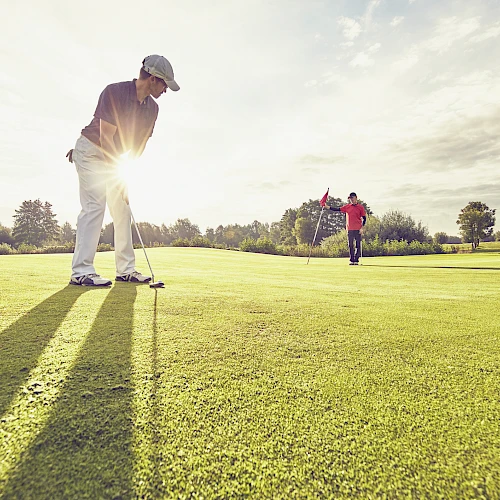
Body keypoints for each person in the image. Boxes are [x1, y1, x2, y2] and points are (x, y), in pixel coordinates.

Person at [66, 55, 179, 286]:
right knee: (95, 206)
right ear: (153, 79)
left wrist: (126, 176)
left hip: (113, 158)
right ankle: (81, 271)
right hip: (91, 152)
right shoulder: (114, 92)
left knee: (122, 210)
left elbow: (139, 147)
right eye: (164, 84)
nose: (166, 90)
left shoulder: (152, 109)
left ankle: (126, 270)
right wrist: (116, 174)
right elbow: (106, 137)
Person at [324, 192, 366, 265]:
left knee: (358, 245)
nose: (351, 200)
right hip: (349, 229)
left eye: (352, 198)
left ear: (356, 198)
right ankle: (352, 260)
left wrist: (362, 228)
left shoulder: (360, 207)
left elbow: (364, 218)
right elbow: (337, 209)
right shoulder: (347, 207)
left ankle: (356, 260)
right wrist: (328, 207)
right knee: (350, 245)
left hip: (358, 228)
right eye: (350, 199)